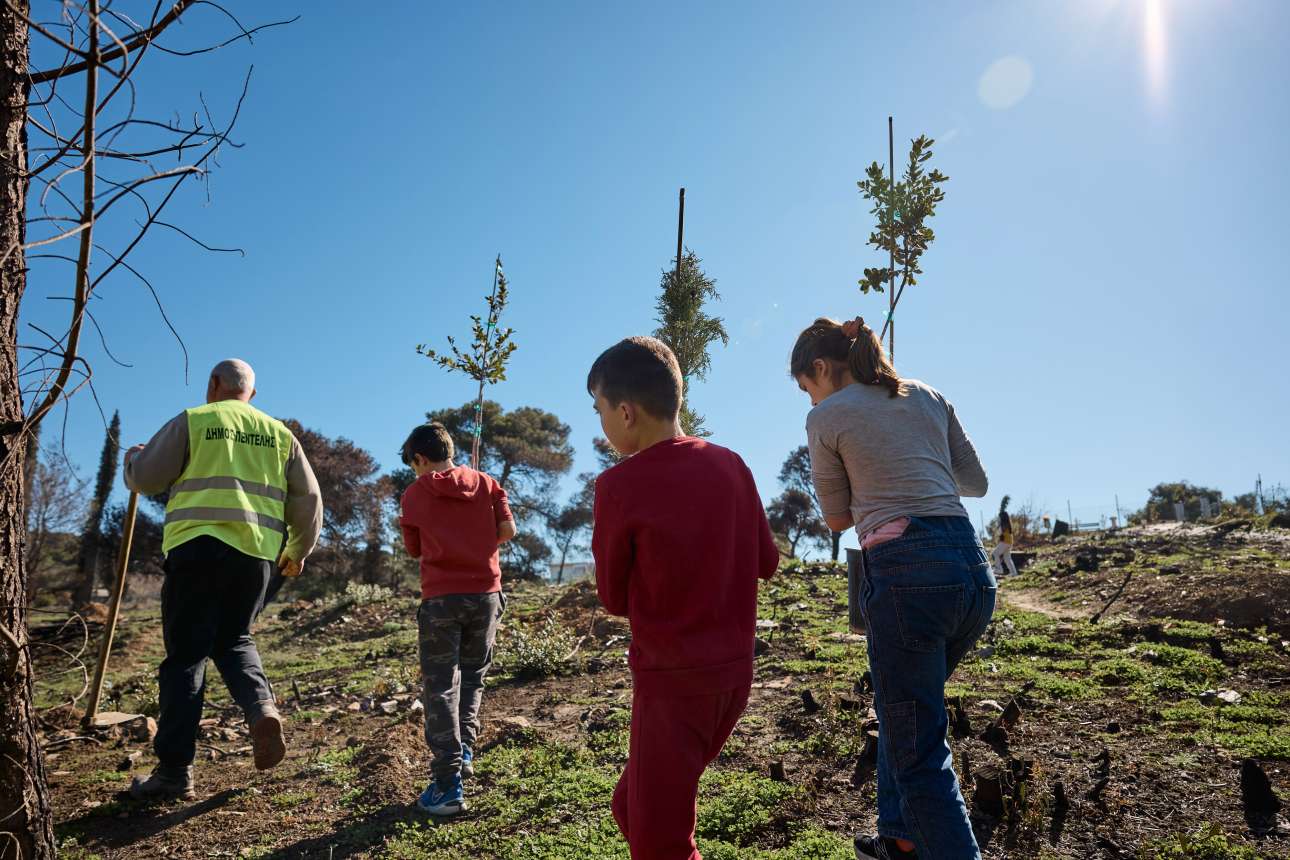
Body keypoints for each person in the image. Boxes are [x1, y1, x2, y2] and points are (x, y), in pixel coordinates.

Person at [791, 318, 993, 860]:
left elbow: (836, 518)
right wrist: (911, 463)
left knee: (917, 746)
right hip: (972, 572)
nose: (808, 399)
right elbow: (975, 483)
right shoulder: (927, 395)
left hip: (907, 578)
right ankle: (899, 839)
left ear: (819, 368)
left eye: (805, 388)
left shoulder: (826, 417)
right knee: (902, 712)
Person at [588, 336, 780, 860]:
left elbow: (612, 596)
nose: (600, 423)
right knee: (631, 806)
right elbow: (766, 562)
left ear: (625, 412)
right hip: (733, 679)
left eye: (599, 409)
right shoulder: (732, 465)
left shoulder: (618, 485)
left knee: (659, 841)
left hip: (671, 684)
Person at [123, 359, 323, 801]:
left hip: (195, 548)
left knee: (186, 658)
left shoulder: (194, 420)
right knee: (234, 638)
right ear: (252, 391)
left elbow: (147, 478)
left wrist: (132, 461)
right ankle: (261, 707)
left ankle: (174, 773)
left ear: (214, 384)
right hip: (254, 557)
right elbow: (309, 499)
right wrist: (295, 552)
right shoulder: (279, 434)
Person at [398, 421, 516, 816]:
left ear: (419, 459)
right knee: (473, 676)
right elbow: (507, 531)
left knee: (441, 687)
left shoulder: (414, 495)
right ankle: (464, 749)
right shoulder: (486, 482)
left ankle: (448, 783)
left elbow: (414, 550)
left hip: (440, 600)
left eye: (413, 465)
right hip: (486, 595)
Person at [992, 496, 1018, 578]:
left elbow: (1001, 532)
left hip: (1005, 541)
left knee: (995, 553)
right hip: (1009, 541)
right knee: (1007, 558)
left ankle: (999, 569)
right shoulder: (1007, 524)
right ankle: (1014, 573)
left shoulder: (1004, 525)